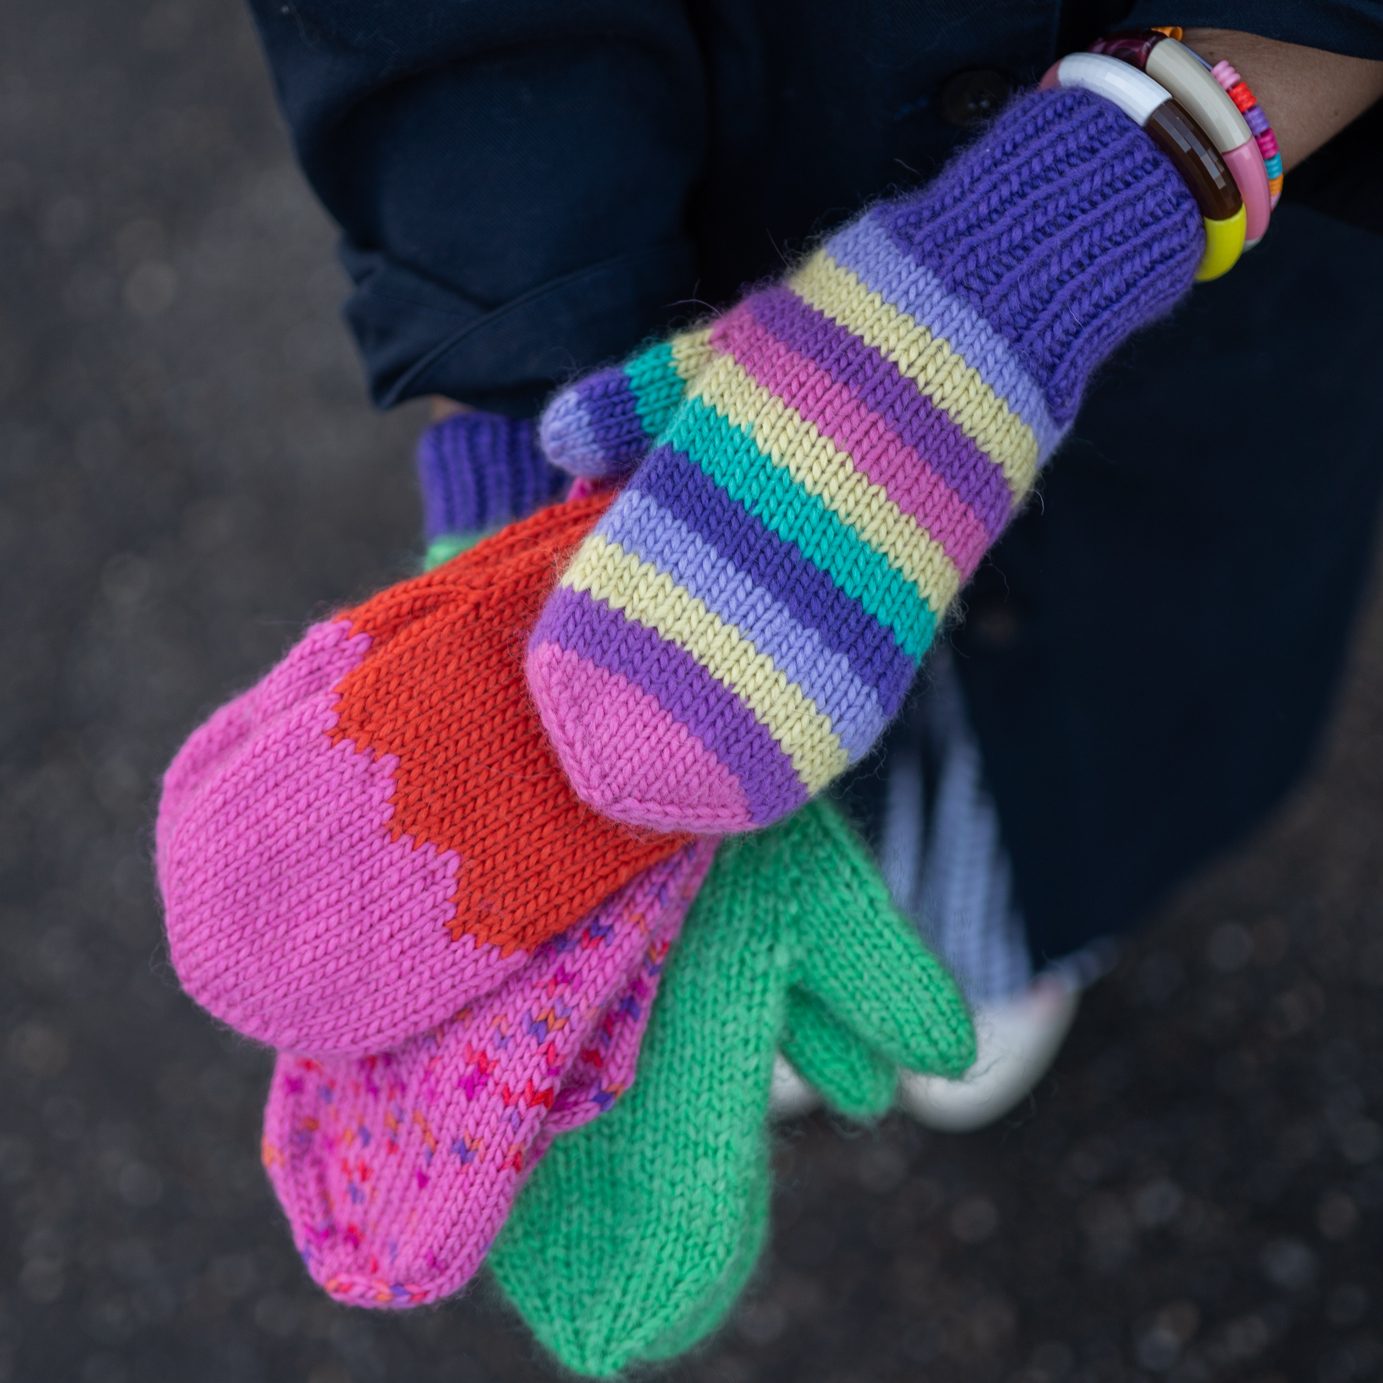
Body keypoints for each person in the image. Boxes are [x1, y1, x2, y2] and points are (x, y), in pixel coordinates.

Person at [240, 1, 1383, 1127]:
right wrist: (532, 391)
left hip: (1228, 327)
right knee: (707, 749)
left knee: (1120, 729)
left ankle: (1037, 924)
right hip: (711, 213)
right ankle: (921, 907)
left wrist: (1068, 223)